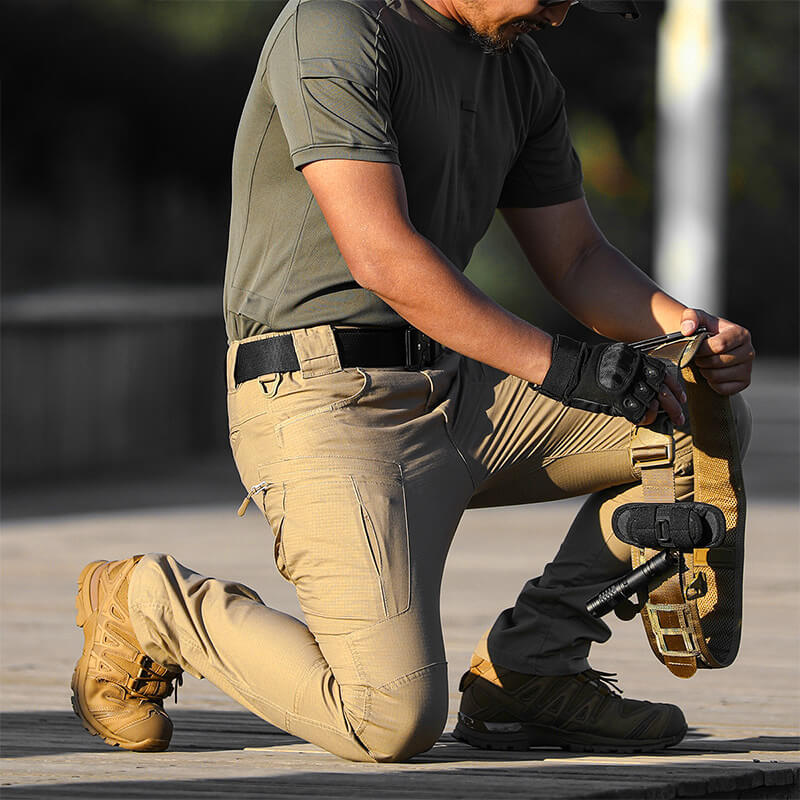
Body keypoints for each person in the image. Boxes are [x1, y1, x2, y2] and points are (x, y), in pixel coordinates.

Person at [70, 0, 754, 763]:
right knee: (387, 720)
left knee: (686, 411)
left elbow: (578, 261)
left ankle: (532, 670)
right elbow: (382, 255)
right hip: (323, 398)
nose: (561, 18)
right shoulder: (334, 24)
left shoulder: (520, 74)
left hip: (456, 388)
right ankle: (149, 604)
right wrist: (566, 367)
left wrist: (691, 330)